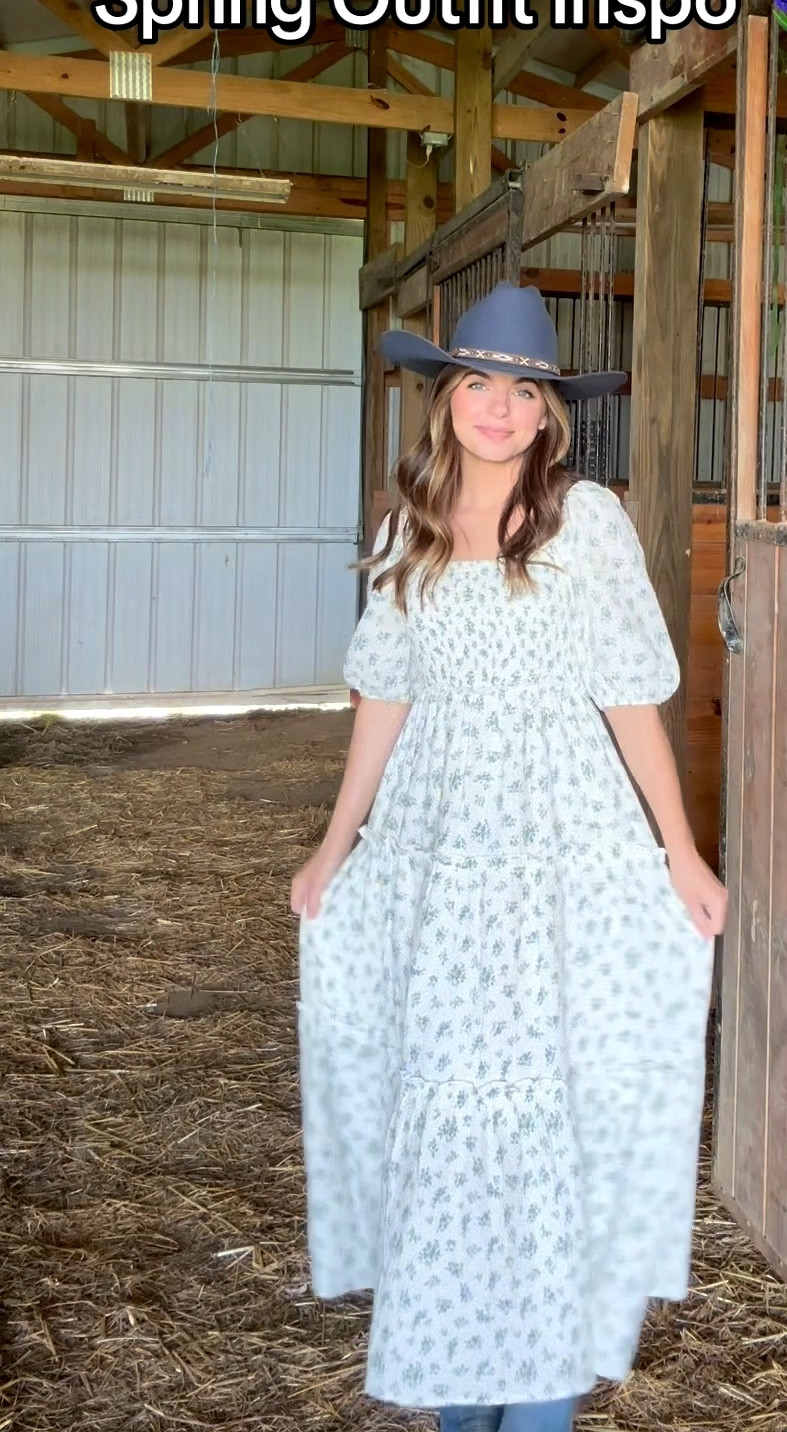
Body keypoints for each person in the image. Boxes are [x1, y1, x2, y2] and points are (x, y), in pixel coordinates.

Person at [291, 283, 727, 1432]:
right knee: (449, 1107)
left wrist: (679, 853)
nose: (498, 406)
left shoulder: (587, 524)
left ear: (548, 414)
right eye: (478, 382)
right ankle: (458, 1382)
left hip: (559, 845)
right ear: (447, 398)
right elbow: (385, 697)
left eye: (523, 391)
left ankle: (539, 1399)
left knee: (551, 1103)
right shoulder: (410, 529)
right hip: (440, 851)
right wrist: (336, 846)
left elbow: (629, 697)